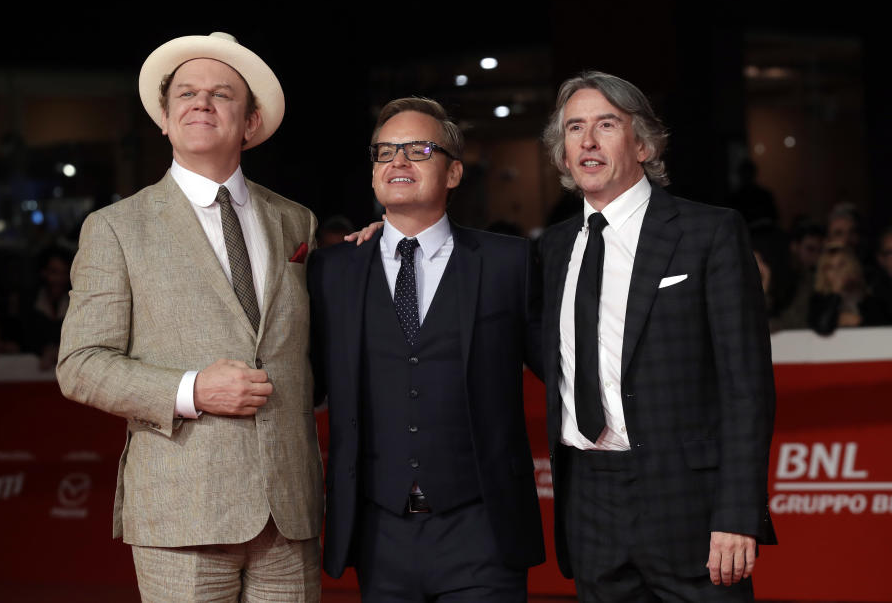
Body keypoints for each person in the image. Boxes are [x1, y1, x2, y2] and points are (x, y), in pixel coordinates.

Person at [56, 32, 323, 601]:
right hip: (183, 511)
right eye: (186, 93)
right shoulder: (116, 228)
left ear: (251, 123)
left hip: (289, 512)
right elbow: (79, 365)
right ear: (165, 118)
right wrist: (191, 389)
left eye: (221, 94)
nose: (201, 102)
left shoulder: (296, 221)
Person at [537, 71, 776, 601]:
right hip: (589, 500)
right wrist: (384, 236)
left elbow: (746, 387)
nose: (588, 141)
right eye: (574, 128)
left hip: (686, 500)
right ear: (561, 153)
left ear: (643, 143)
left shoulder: (708, 232)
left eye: (606, 124)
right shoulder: (550, 251)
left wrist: (738, 513)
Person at [309, 97, 545, 601]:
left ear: (454, 172)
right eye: (384, 151)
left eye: (418, 149)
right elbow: (307, 383)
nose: (397, 161)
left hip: (483, 529)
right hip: (379, 534)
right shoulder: (332, 271)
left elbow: (564, 368)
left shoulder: (511, 263)